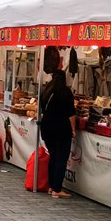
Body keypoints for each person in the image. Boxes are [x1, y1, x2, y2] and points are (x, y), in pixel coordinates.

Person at [40, 69, 77, 198]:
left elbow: (41, 109)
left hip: (47, 127)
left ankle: (51, 186)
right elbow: (71, 113)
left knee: (53, 157)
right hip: (61, 128)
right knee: (61, 159)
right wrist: (73, 129)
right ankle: (57, 189)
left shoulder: (46, 90)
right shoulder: (66, 92)